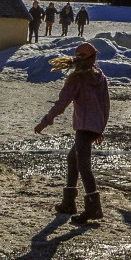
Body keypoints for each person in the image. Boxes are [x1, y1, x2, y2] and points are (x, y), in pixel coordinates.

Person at [34, 41, 109, 223]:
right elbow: (106, 105)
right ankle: (68, 202)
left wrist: (45, 122)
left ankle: (93, 208)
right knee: (72, 158)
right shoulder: (100, 77)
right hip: (94, 126)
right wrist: (100, 128)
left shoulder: (77, 78)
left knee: (84, 165)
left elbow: (61, 104)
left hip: (84, 127)